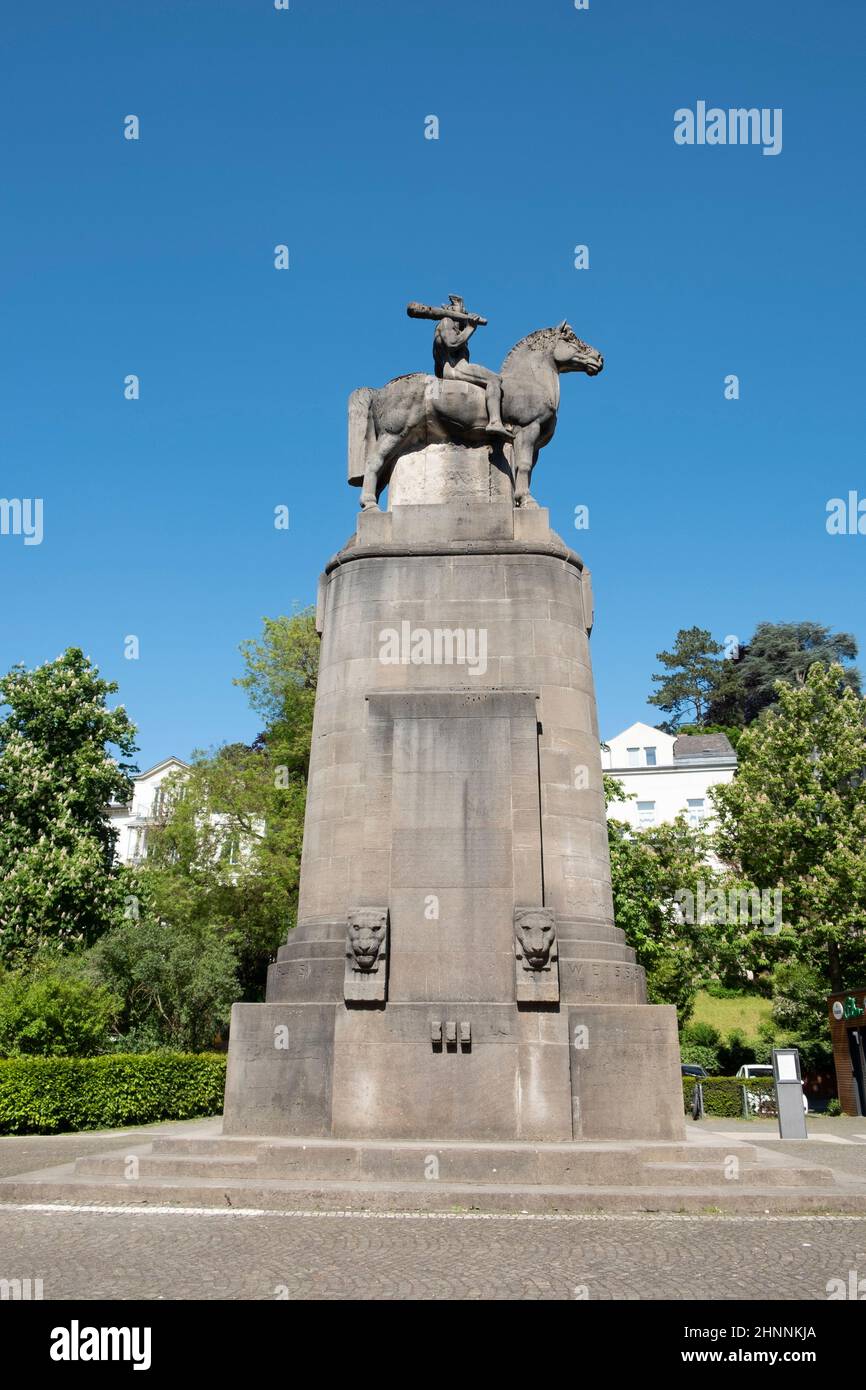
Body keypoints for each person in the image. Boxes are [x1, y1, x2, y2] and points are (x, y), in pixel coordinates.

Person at [432, 295, 513, 437]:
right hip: (456, 369)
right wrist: (470, 328)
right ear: (451, 311)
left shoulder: (454, 328)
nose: (465, 313)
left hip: (453, 368)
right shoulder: (446, 322)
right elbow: (452, 345)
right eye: (462, 310)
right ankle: (495, 421)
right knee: (494, 379)